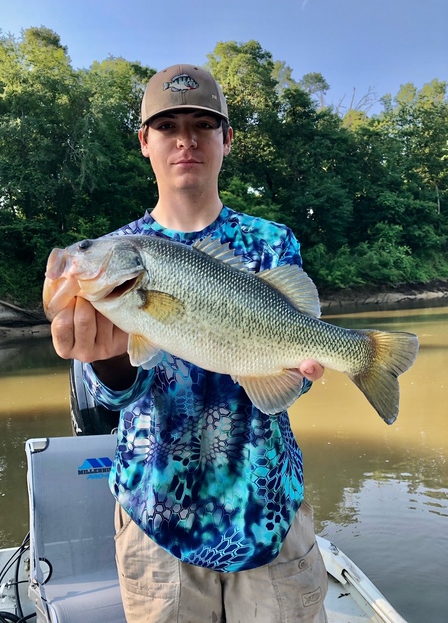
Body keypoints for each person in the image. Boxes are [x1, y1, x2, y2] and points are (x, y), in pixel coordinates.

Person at [50, 64, 328, 622]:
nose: (185, 139)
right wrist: (105, 364)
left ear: (226, 139)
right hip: (158, 519)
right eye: (167, 125)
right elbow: (110, 396)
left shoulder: (272, 242)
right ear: (145, 143)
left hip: (266, 511)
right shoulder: (120, 253)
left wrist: (301, 369)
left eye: (202, 125)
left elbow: (284, 381)